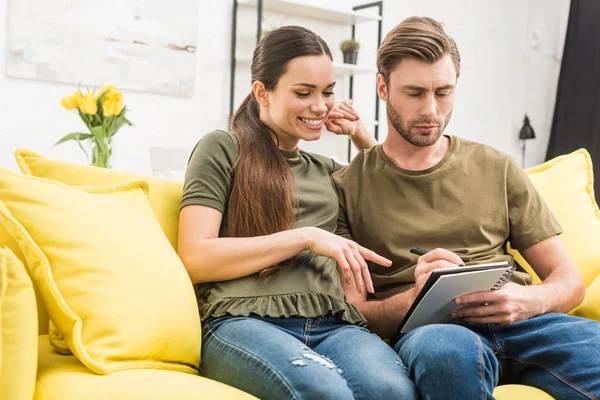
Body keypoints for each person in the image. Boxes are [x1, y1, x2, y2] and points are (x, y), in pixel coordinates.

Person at [331, 16, 600, 400]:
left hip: (522, 323)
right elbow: (356, 316)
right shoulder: (346, 187)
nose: (431, 110)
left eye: (443, 92)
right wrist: (417, 298)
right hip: (432, 334)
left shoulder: (497, 167)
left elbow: (568, 280)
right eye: (415, 93)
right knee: (445, 353)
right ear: (382, 88)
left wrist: (527, 300)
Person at [178, 25, 418, 400]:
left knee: (393, 391)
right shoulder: (222, 149)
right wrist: (306, 237)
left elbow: (397, 198)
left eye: (328, 92)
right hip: (241, 321)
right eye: (304, 93)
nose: (320, 106)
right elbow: (195, 256)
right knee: (324, 391)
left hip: (333, 325)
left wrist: (358, 134)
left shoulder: (326, 169)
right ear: (263, 92)